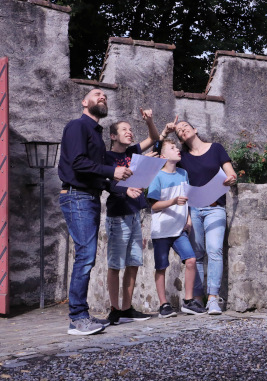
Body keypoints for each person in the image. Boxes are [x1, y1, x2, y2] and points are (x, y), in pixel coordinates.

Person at [58, 88, 132, 336]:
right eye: (96, 94)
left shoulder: (96, 135)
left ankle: (81, 316)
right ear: (84, 101)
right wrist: (112, 172)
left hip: (89, 197)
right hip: (77, 197)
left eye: (105, 96)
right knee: (86, 255)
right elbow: (78, 163)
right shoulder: (77, 126)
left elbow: (96, 174)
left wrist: (122, 189)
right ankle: (77, 319)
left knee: (87, 255)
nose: (102, 97)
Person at [104, 108, 161, 325]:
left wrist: (150, 121)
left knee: (133, 262)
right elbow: (107, 183)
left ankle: (127, 308)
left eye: (130, 129)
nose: (129, 132)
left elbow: (155, 138)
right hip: (118, 215)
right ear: (113, 136)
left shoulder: (133, 152)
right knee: (115, 264)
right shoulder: (107, 157)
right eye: (124, 129)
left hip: (135, 213)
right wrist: (124, 190)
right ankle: (114, 309)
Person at [174, 120, 237, 315]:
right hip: (194, 210)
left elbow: (231, 174)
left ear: (195, 129)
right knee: (198, 255)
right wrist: (166, 131)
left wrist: (231, 178)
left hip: (214, 208)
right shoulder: (183, 157)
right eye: (178, 130)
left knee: (214, 250)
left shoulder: (216, 148)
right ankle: (198, 300)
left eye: (185, 126)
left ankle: (213, 299)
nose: (182, 130)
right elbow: (161, 156)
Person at [147, 138, 207, 318]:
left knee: (190, 260)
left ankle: (188, 301)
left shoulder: (183, 173)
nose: (177, 149)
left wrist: (188, 218)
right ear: (164, 155)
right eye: (172, 148)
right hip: (162, 230)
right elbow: (154, 206)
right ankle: (163, 305)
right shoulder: (157, 176)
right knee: (161, 266)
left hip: (179, 229)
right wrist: (173, 201)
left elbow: (186, 199)